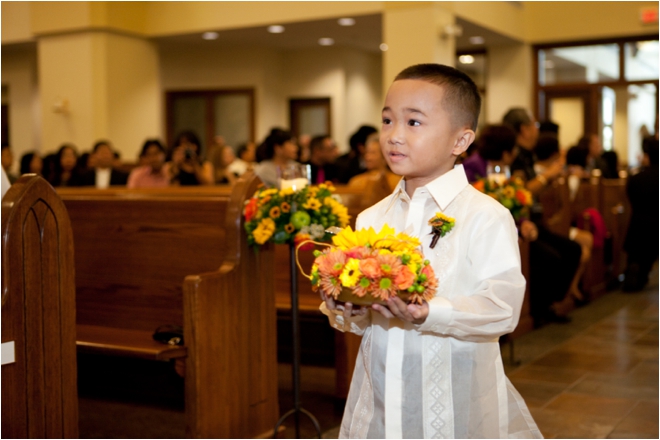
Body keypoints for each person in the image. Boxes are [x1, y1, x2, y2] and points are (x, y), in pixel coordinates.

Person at [321, 64, 541, 438]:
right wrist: (346, 306)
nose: (394, 136)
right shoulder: (373, 217)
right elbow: (365, 320)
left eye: (414, 122)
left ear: (460, 141)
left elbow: (502, 308)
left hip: (457, 399)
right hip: (382, 397)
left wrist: (429, 312)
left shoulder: (485, 215)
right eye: (388, 120)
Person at [623, 138, 659, 292]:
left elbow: (630, 198)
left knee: (637, 254)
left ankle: (634, 272)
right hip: (656, 225)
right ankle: (639, 274)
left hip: (637, 224)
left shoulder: (636, 178)